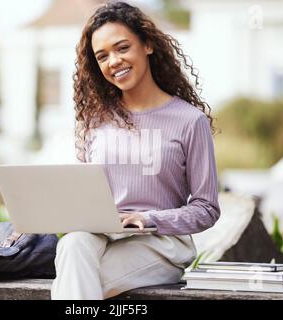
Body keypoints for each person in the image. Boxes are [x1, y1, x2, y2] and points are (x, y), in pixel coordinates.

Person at [51, 1, 221, 300]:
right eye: (102, 56)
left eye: (122, 48)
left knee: (78, 278)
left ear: (148, 45)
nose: (113, 61)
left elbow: (206, 209)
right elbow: (85, 193)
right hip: (102, 236)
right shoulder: (96, 122)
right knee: (72, 244)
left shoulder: (189, 121)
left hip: (161, 242)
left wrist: (149, 218)